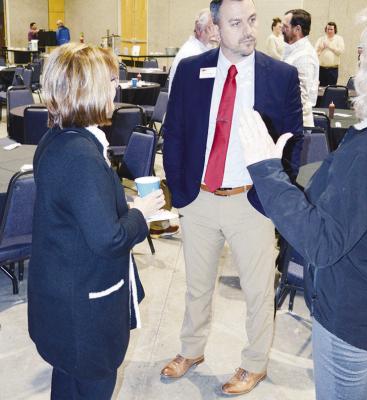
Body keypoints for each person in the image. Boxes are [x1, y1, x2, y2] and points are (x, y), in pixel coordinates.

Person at [238, 0, 367, 398]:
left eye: (363, 56)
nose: (357, 67)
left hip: (352, 316)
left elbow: (322, 241)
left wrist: (265, 170)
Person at [161, 0, 302, 396]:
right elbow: (173, 132)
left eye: (252, 20)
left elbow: (295, 141)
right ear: (216, 28)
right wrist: (180, 190)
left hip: (251, 201)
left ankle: (254, 364)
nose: (248, 30)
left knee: (258, 290)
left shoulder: (281, 75)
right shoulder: (191, 70)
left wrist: (275, 193)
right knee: (196, 286)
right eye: (236, 23)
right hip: (199, 198)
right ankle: (191, 350)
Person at [28, 43, 165, 399]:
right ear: (86, 89)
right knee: (91, 386)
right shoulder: (81, 155)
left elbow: (78, 215)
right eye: (109, 80)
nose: (115, 87)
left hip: (60, 301)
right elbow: (108, 240)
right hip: (84, 314)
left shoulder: (55, 139)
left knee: (67, 384)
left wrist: (118, 205)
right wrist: (141, 215)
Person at [149, 9, 216, 240]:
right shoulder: (191, 55)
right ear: (202, 29)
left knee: (181, 175)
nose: (216, 33)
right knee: (181, 177)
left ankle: (162, 219)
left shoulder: (201, 50)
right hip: (185, 126)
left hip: (187, 124)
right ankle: (160, 219)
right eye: (213, 28)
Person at [282, 9, 319, 128]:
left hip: (297, 124)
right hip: (289, 119)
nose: (282, 30)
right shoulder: (293, 49)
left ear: (297, 29)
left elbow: (300, 99)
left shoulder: (305, 56)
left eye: (285, 27)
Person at [168, 8, 216, 93]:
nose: (215, 33)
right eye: (211, 28)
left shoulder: (202, 48)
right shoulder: (192, 53)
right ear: (198, 30)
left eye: (217, 28)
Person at [315, 22, 345, 86]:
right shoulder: (321, 39)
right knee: (321, 88)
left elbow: (340, 52)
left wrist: (329, 46)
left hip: (333, 69)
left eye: (331, 29)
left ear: (335, 30)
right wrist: (321, 48)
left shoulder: (339, 39)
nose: (329, 31)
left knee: (332, 88)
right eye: (328, 29)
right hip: (322, 69)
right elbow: (315, 52)